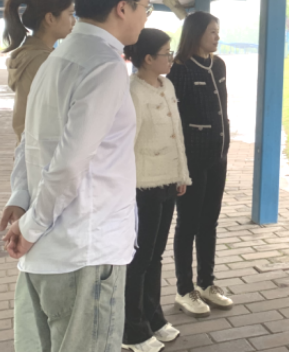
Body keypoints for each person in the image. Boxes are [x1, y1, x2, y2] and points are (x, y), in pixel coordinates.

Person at [0, 0, 154, 352]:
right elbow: (70, 162)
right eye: (146, 6)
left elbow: (30, 139)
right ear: (123, 8)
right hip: (86, 249)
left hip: (49, 251)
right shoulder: (104, 65)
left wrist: (22, 199)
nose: (145, 16)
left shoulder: (57, 57)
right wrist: (30, 227)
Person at [122, 29, 191, 351]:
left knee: (155, 255)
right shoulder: (131, 92)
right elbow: (125, 145)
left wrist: (182, 175)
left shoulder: (168, 85)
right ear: (148, 59)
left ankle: (154, 318)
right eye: (166, 53)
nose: (171, 58)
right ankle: (132, 330)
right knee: (140, 258)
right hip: (142, 185)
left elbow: (177, 134)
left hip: (167, 182)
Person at [168, 11, 233, 317]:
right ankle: (184, 289)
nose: (217, 37)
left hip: (218, 157)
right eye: (212, 32)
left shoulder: (218, 65)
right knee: (188, 224)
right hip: (191, 161)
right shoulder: (179, 69)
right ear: (196, 34)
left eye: (218, 31)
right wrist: (179, 166)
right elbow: (174, 120)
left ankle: (207, 282)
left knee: (210, 222)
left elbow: (222, 108)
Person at [2, 0, 75, 144]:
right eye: (70, 14)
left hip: (29, 147)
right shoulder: (42, 60)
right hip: (41, 149)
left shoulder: (28, 55)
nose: (74, 21)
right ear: (50, 18)